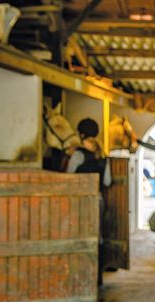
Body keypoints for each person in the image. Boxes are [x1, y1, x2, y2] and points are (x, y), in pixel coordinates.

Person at [66, 118, 111, 284]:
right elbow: (107, 181)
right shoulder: (102, 155)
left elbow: (69, 177)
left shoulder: (78, 155)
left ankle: (81, 276)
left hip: (78, 202)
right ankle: (97, 278)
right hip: (97, 199)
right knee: (97, 237)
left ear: (80, 134)